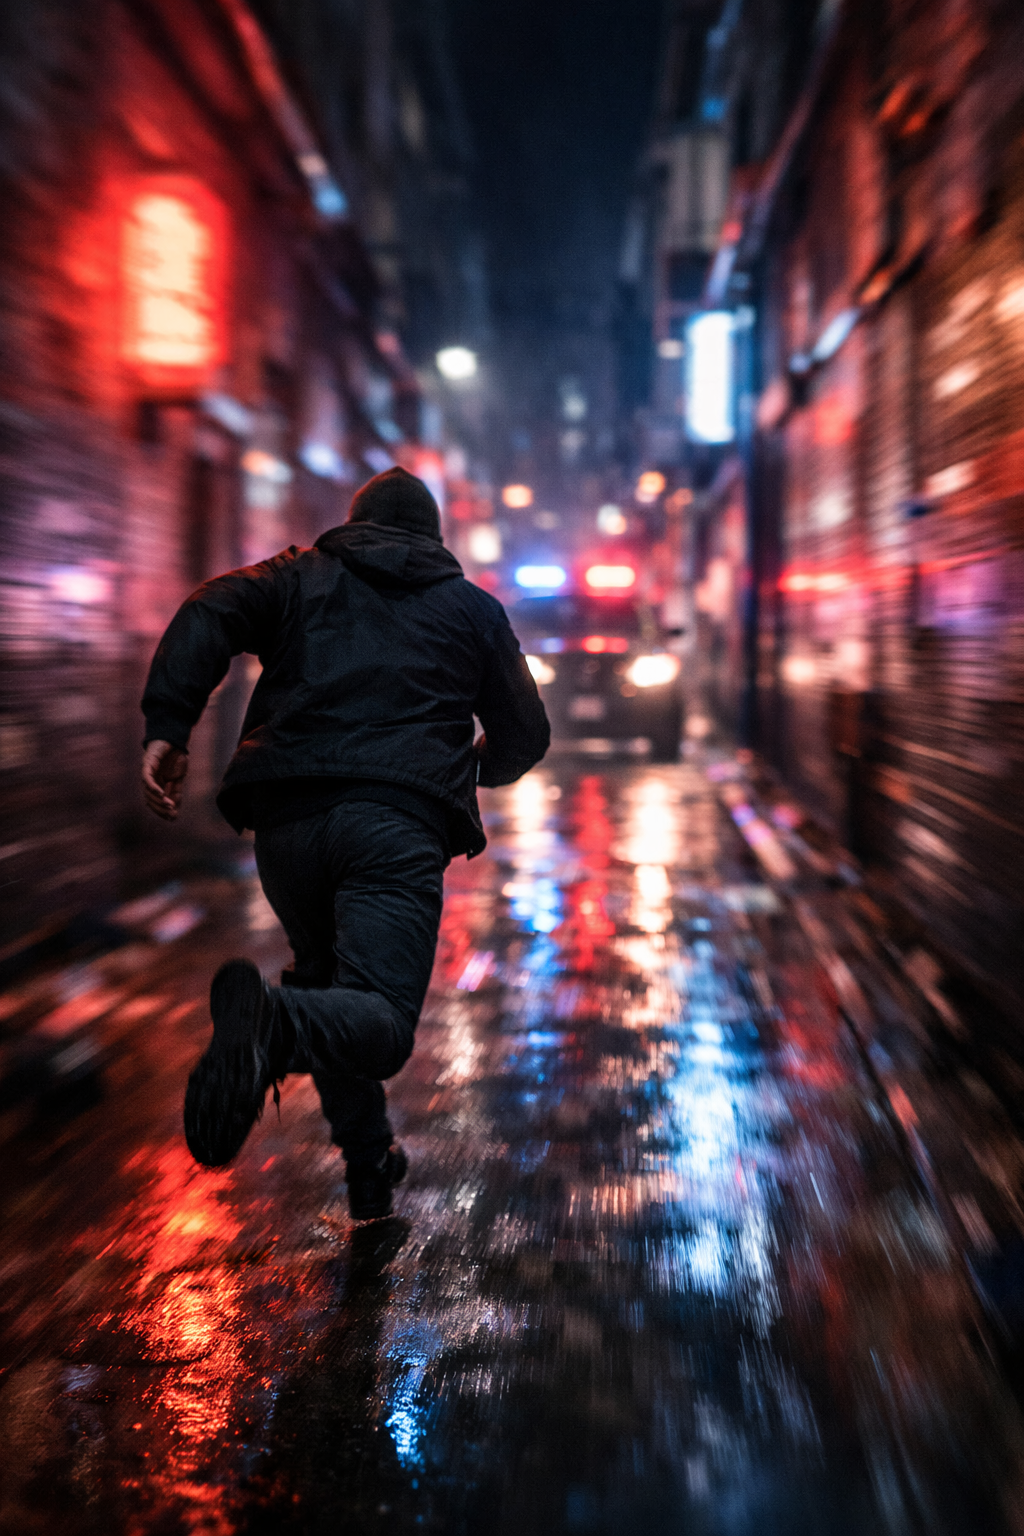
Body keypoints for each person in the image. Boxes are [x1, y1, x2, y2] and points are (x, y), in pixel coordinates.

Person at [141, 466, 549, 1218]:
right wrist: (472, 768)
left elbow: (209, 609)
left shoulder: (298, 578)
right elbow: (527, 734)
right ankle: (274, 1024)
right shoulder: (473, 611)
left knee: (336, 993)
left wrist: (170, 725)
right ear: (433, 537)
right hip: (393, 829)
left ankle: (369, 1165)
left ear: (355, 523)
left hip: (287, 826)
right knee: (381, 1024)